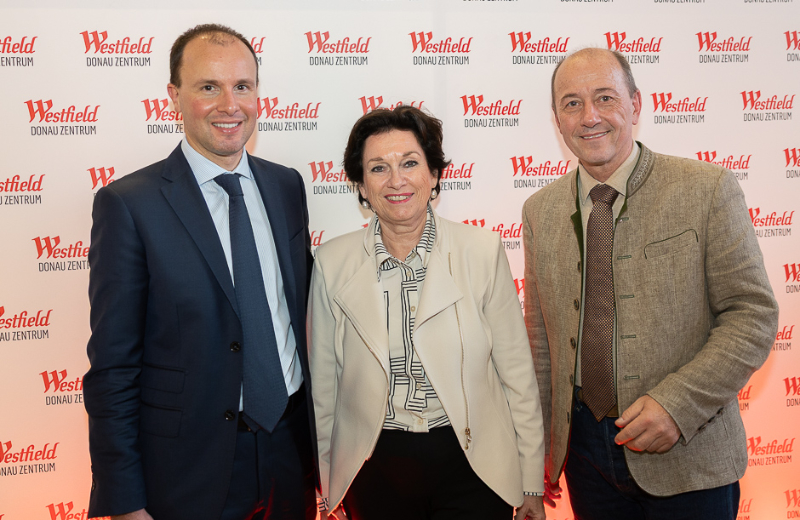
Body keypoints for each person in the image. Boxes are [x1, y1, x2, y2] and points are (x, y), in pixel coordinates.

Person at [523, 47, 779, 520]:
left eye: (605, 97)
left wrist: (677, 406)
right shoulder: (539, 211)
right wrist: (535, 452)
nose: (590, 116)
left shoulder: (706, 188)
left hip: (690, 454)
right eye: (572, 103)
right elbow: (541, 342)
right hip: (583, 456)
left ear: (636, 104)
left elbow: (753, 315)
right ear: (557, 120)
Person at [83, 24, 316, 520]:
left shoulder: (287, 187)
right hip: (189, 469)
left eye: (242, 86)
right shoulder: (129, 205)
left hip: (291, 451)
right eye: (209, 86)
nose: (230, 105)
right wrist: (124, 500)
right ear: (174, 97)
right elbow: (113, 367)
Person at [308, 105, 546, 520]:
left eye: (410, 163)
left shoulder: (481, 251)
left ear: (434, 174)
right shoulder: (332, 262)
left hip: (474, 465)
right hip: (374, 468)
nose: (396, 180)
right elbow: (324, 388)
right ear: (361, 185)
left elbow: (517, 376)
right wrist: (330, 484)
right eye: (378, 168)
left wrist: (530, 482)